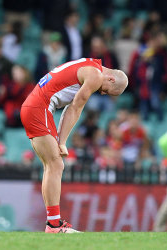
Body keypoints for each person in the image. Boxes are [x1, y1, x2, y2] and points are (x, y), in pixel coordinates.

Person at [20, 58, 128, 233]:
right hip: (39, 108)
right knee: (56, 165)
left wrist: (61, 140)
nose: (102, 93)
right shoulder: (96, 76)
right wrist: (62, 142)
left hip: (33, 106)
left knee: (52, 166)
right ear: (111, 79)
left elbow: (70, 106)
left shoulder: (90, 65)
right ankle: (54, 225)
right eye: (107, 91)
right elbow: (75, 108)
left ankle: (53, 223)